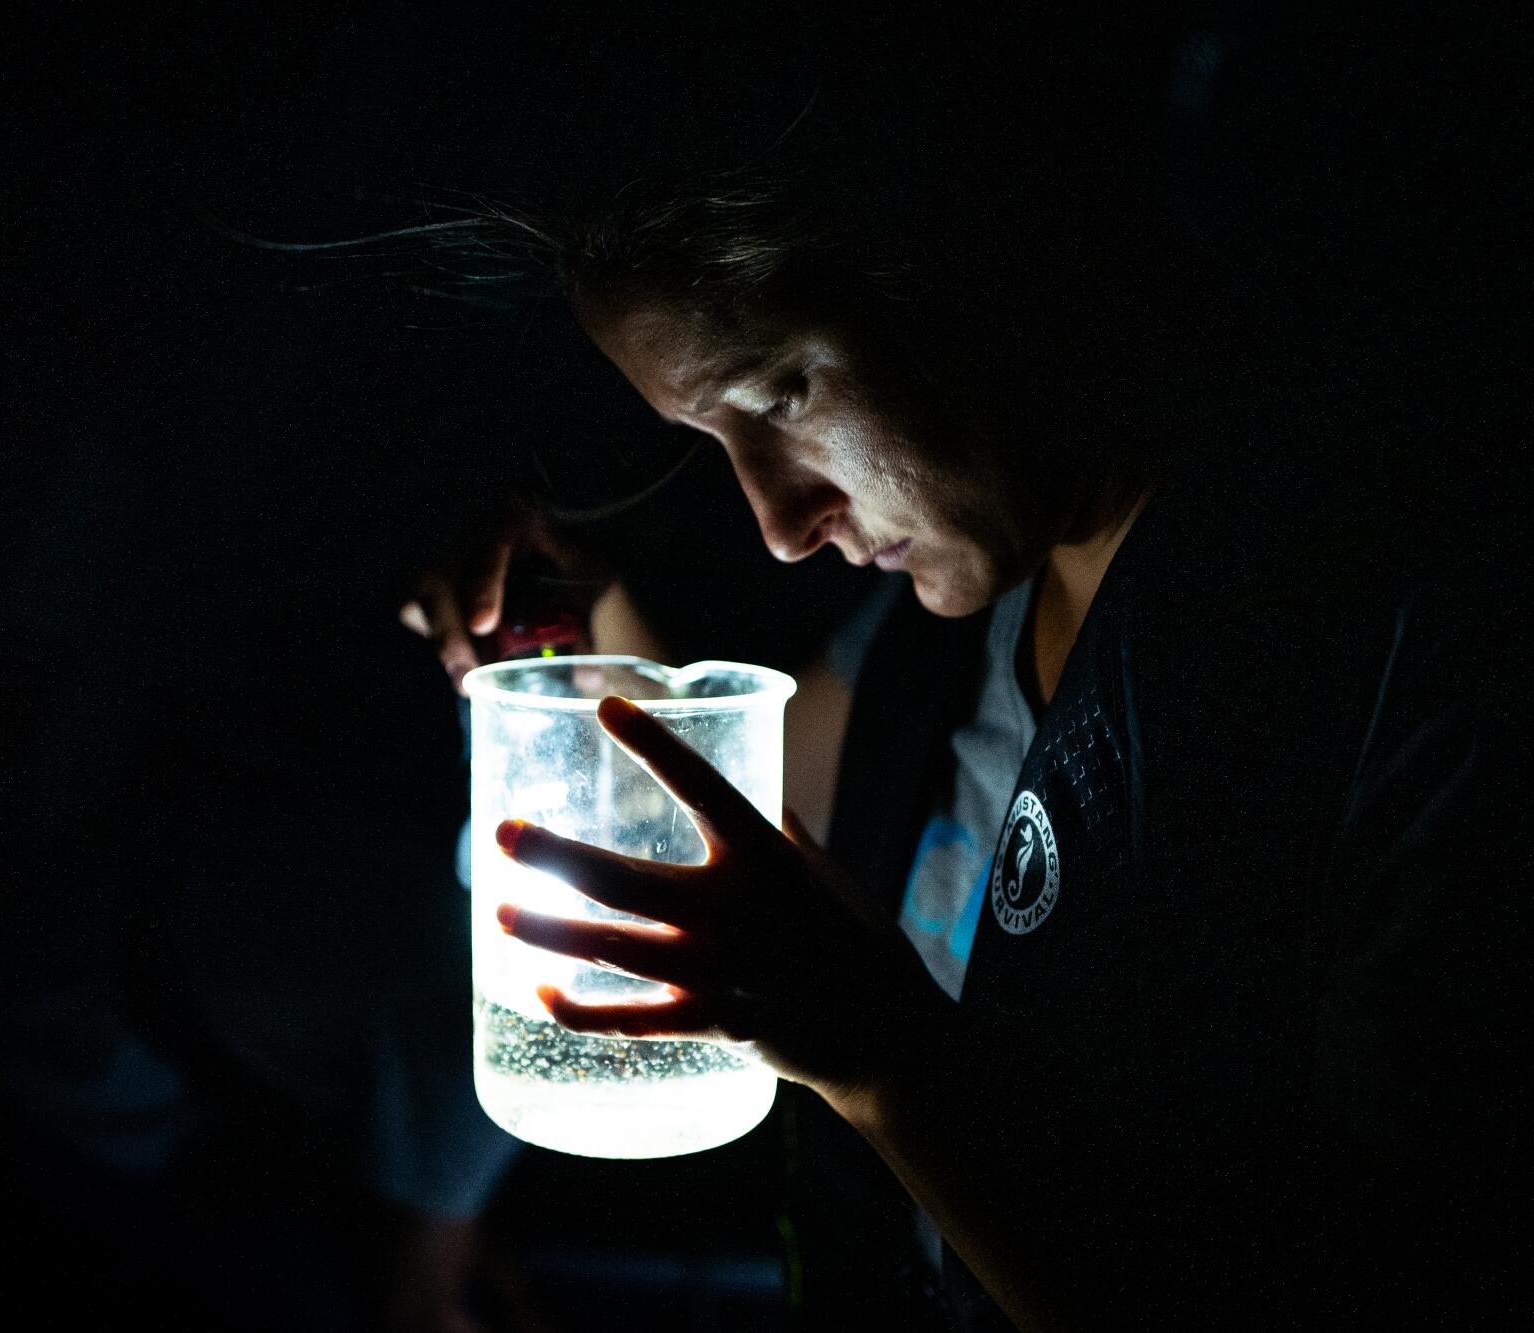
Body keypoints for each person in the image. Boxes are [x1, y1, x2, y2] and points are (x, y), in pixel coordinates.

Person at [399, 39, 1519, 1327]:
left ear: (974, 263)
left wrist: (884, 1061)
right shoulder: (937, 645)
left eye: (783, 394)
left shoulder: (1391, 659)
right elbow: (720, 820)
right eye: (715, 441)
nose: (776, 520)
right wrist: (577, 627)